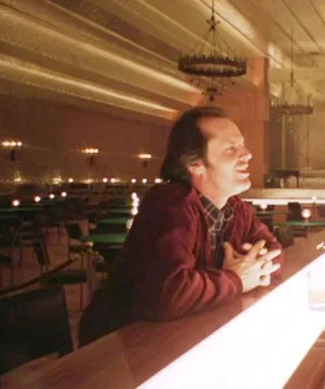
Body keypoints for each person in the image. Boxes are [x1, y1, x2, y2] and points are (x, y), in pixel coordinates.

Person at [79, 106, 283, 346]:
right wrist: (236, 279)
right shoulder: (168, 206)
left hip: (182, 336)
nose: (247, 154)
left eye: (242, 145)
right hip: (120, 351)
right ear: (195, 164)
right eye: (231, 148)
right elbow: (169, 294)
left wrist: (249, 270)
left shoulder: (236, 208)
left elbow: (275, 254)